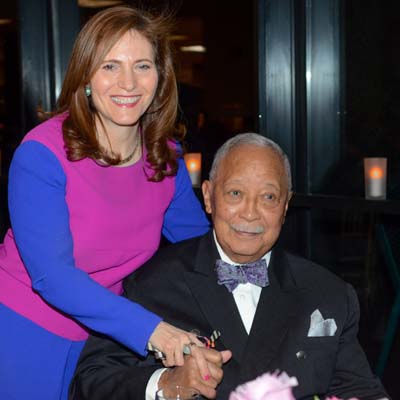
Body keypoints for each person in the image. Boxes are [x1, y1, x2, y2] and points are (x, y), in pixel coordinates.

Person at [70, 133, 389, 400]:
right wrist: (167, 385)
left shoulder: (328, 293)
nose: (250, 213)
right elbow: (91, 383)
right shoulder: (152, 283)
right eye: (235, 193)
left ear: (285, 206)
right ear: (208, 197)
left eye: (268, 197)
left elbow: (360, 391)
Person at [0, 5, 211, 400]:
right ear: (86, 77)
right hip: (25, 332)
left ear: (160, 77)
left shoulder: (165, 157)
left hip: (107, 344)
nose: (127, 82)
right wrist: (151, 329)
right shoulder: (41, 153)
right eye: (110, 66)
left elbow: (197, 251)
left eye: (142, 66)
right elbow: (52, 276)